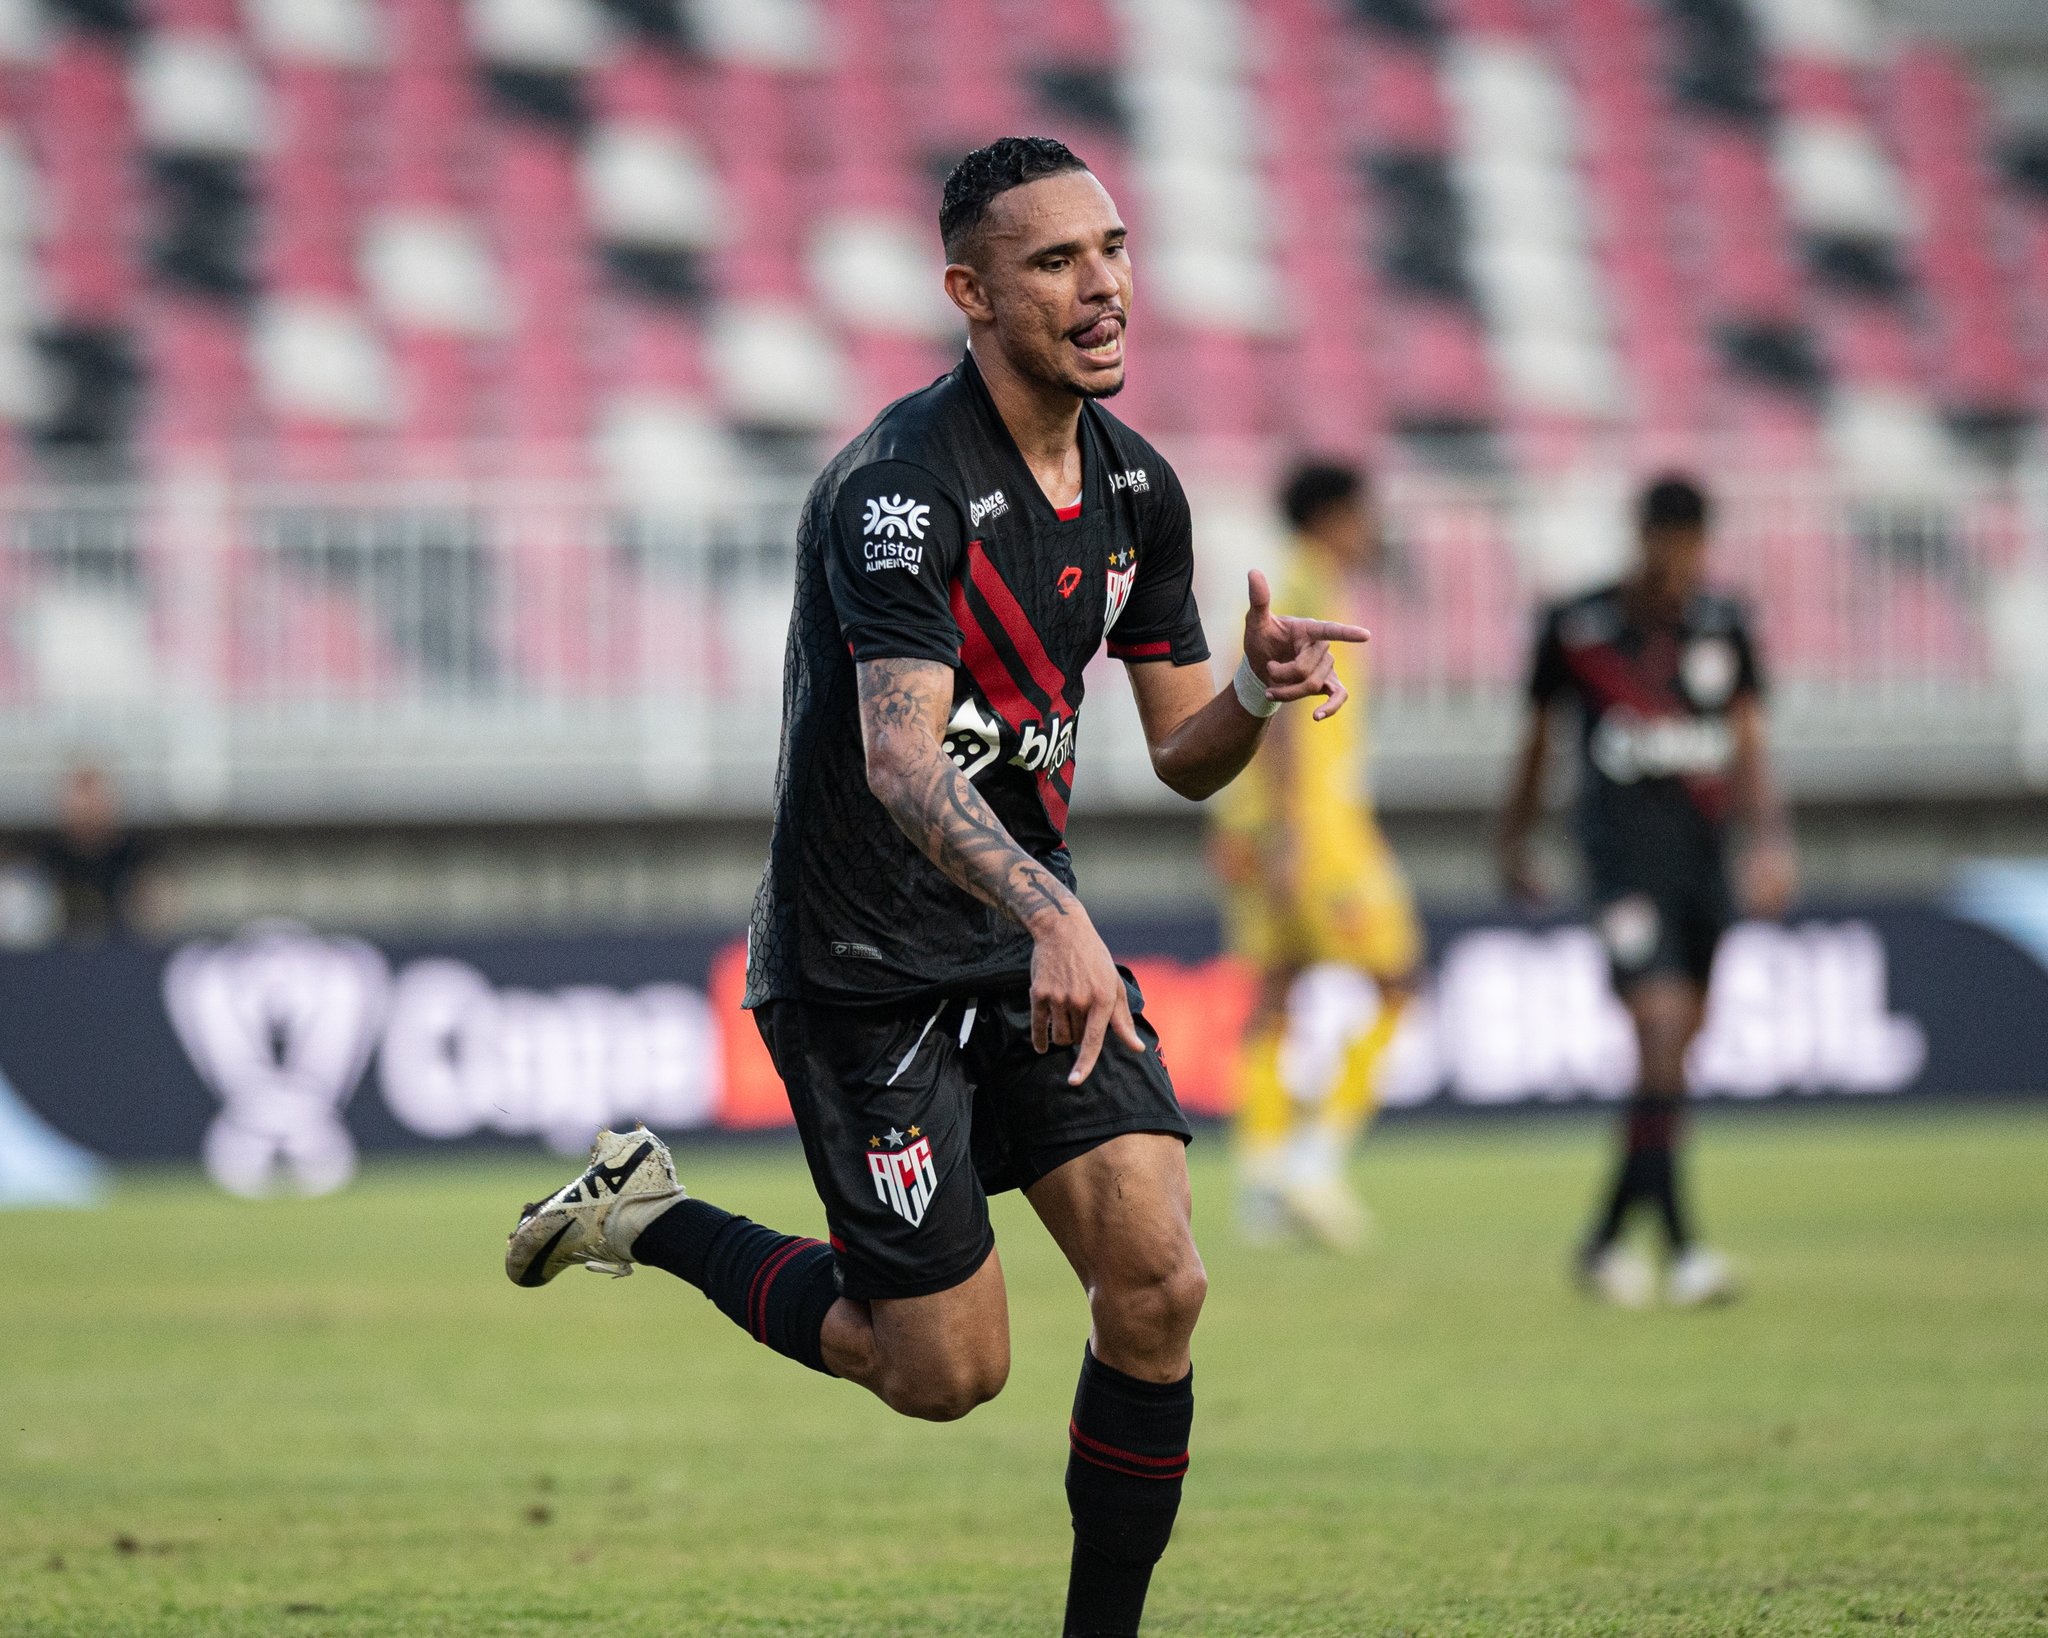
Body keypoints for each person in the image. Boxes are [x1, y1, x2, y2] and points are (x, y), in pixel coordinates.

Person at [504, 136, 1368, 1636]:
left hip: (1023, 944)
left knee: (1159, 1282)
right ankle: (650, 1213)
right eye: (1055, 262)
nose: (1102, 288)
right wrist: (1058, 912)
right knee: (945, 1371)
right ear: (970, 292)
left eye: (1111, 249)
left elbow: (1179, 755)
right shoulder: (898, 492)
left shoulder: (1136, 489)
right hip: (862, 964)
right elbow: (902, 767)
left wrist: (1248, 688)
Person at [1499, 475, 1794, 1308]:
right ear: (1642, 536)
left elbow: (1748, 740)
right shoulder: (1580, 627)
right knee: (1660, 1034)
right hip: (1621, 865)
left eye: (1693, 545)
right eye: (1668, 542)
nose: (1680, 561)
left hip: (1701, 861)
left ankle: (1601, 1243)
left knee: (1671, 1060)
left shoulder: (1724, 623)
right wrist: (1513, 837)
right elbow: (1538, 739)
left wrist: (1768, 840)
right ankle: (1687, 1250)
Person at [1210, 461, 1421, 1250]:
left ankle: (1264, 1182)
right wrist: (1299, 831)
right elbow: (1289, 715)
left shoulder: (1290, 581)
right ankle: (1314, 1165)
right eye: (1363, 513)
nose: (1372, 531)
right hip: (1313, 834)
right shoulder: (1310, 587)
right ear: (1333, 515)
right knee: (1398, 982)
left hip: (1269, 824)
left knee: (1278, 992)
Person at [34, 762, 155, 943]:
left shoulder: (137, 856)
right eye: (79, 795)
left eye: (94, 795)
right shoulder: (44, 858)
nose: (87, 806)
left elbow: (157, 918)